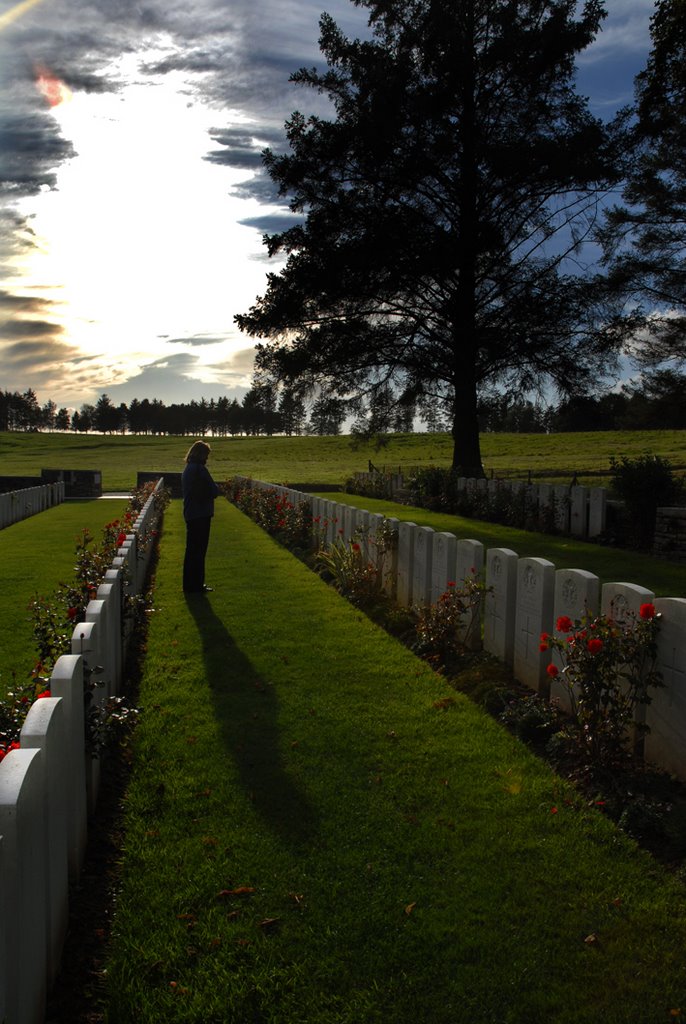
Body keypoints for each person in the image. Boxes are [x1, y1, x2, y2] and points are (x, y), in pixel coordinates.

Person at [182, 440, 221, 593]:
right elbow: (213, 491)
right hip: (201, 514)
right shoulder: (199, 469)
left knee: (191, 550)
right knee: (199, 551)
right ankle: (197, 585)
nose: (207, 458)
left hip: (191, 513)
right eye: (206, 454)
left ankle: (189, 585)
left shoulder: (188, 469)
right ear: (201, 454)